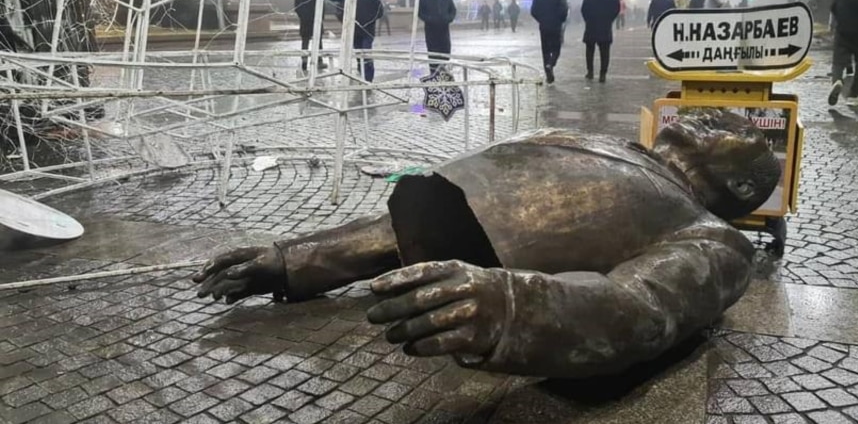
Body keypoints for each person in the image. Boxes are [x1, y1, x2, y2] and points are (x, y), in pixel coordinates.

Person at [192, 108, 782, 379]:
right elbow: (433, 223)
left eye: (737, 133)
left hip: (501, 285)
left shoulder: (716, 240)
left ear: (741, 184)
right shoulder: (622, 147)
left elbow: (642, 308)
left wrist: (513, 309)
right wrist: (296, 260)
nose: (719, 116)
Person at [328, 0, 383, 82]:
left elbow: (379, 11)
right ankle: (361, 72)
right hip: (354, 30)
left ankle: (368, 79)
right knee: (358, 53)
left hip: (367, 30)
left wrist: (368, 21)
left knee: (366, 53)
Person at [581, 0, 621, 83]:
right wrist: (609, 20)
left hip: (591, 25)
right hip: (605, 25)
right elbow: (616, 8)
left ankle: (590, 72)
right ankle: (603, 74)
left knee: (590, 50)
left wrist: (588, 20)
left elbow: (584, 9)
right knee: (605, 51)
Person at [530, 0, 569, 84]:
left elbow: (533, 11)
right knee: (556, 48)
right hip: (556, 26)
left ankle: (548, 75)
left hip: (544, 26)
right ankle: (551, 63)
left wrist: (541, 19)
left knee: (545, 49)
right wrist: (560, 20)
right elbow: (564, 9)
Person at [418, 0, 457, 72]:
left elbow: (453, 10)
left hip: (444, 30)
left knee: (445, 53)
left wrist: (448, 18)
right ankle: (434, 75)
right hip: (431, 30)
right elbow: (419, 12)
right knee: (433, 55)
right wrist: (429, 19)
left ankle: (445, 75)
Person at [293, 0, 327, 72]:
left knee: (305, 42)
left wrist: (302, 16)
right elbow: (322, 6)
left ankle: (304, 62)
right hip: (316, 20)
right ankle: (319, 61)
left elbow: (297, 6)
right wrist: (321, 18)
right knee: (318, 42)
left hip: (305, 21)